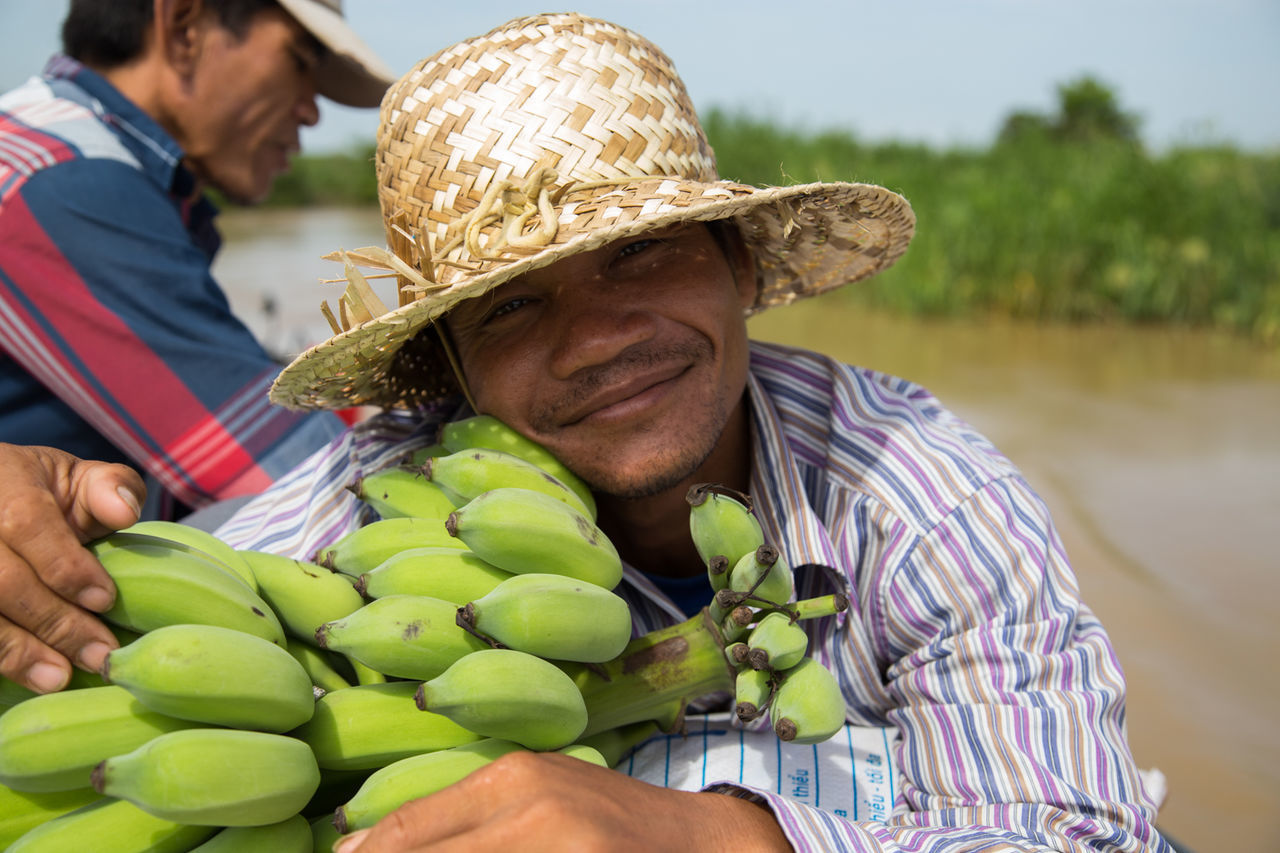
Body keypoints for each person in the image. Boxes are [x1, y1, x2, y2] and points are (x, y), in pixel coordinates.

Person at [0, 12, 1172, 852]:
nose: (596, 338)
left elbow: (1080, 828)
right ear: (447, 367)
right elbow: (227, 575)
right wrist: (55, 546)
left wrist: (712, 838)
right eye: (512, 303)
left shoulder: (908, 489)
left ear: (735, 266)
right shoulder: (405, 483)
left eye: (641, 255)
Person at [0, 0, 395, 523]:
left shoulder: (77, 152)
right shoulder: (62, 178)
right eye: (299, 62)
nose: (312, 110)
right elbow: (308, 484)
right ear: (185, 29)